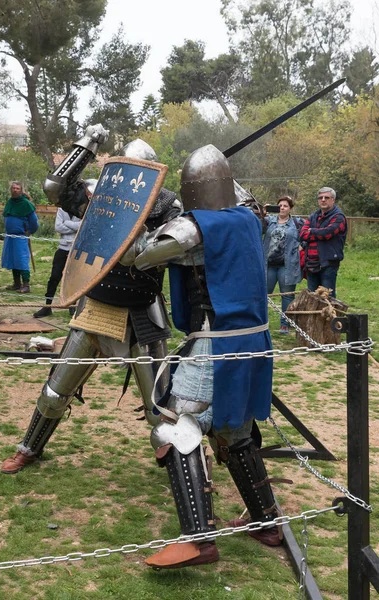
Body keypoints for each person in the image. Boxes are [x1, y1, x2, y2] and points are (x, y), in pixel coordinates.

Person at [122, 144, 278, 568]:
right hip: (253, 342)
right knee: (235, 432)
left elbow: (142, 257)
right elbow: (240, 200)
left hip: (216, 342)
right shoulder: (248, 220)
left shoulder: (193, 230)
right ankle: (267, 520)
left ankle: (198, 538)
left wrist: (151, 220)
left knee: (174, 428)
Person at [0, 138, 180, 473]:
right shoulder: (104, 196)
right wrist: (84, 147)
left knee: (161, 408)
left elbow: (159, 250)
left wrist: (140, 231)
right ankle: (29, 448)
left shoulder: (169, 206)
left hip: (142, 310)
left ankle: (182, 466)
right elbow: (56, 189)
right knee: (55, 392)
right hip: (97, 303)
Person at [32, 181, 96, 318]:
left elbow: (83, 227)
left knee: (73, 279)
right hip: (62, 248)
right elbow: (58, 227)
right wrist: (75, 225)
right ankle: (47, 306)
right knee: (54, 277)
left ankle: (72, 306)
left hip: (76, 250)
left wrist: (68, 224)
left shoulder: (85, 208)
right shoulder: (61, 210)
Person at [263, 196, 303, 334]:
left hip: (287, 265)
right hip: (269, 264)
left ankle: (285, 324)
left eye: (285, 206)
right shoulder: (269, 221)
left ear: (290, 208)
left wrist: (301, 246)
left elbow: (308, 236)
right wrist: (263, 214)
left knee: (287, 295)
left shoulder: (297, 223)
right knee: (264, 294)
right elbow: (256, 227)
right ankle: (262, 322)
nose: (282, 208)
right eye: (279, 205)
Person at [299, 187, 347, 298]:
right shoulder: (313, 216)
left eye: (327, 197)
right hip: (311, 263)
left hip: (328, 263)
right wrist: (318, 233)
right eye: (320, 197)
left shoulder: (339, 217)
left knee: (327, 298)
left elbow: (327, 233)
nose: (323, 200)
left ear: (333, 200)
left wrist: (312, 231)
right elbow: (302, 234)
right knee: (312, 298)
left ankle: (330, 316)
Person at [1, 181, 39, 294]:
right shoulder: (9, 202)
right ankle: (17, 283)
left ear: (21, 190)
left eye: (17, 188)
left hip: (20, 236)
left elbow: (34, 221)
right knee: (13, 259)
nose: (15, 190)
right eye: (13, 188)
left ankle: (26, 285)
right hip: (10, 236)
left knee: (21, 259)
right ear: (10, 190)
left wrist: (30, 231)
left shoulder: (26, 204)